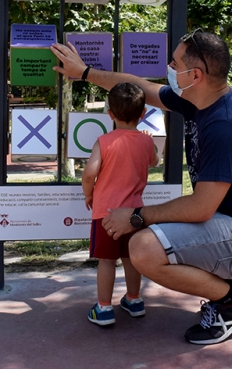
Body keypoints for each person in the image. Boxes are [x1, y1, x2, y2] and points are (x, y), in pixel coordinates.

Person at [52, 29, 232, 345]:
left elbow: (200, 207)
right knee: (156, 234)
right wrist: (86, 73)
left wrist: (136, 216)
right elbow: (140, 87)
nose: (170, 68)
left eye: (175, 63)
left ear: (196, 75)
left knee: (143, 248)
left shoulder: (225, 124)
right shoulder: (198, 100)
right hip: (229, 222)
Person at [82, 82, 160, 327]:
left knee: (106, 261)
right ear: (143, 114)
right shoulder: (146, 142)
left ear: (110, 114)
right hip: (135, 215)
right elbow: (155, 161)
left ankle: (104, 309)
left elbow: (89, 173)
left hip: (105, 213)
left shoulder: (104, 142)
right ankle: (134, 300)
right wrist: (150, 142)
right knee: (131, 259)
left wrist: (88, 194)